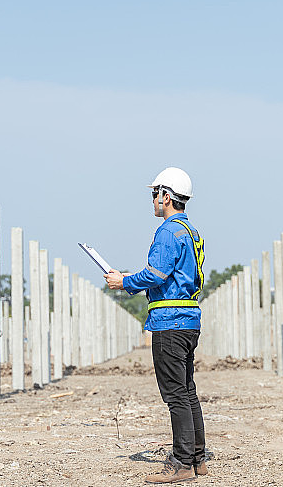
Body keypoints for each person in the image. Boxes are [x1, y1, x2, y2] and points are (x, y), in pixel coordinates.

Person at [104, 167, 207, 484]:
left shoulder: (167, 232)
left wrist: (124, 282)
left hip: (169, 323)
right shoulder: (190, 232)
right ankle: (197, 458)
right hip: (188, 321)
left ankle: (181, 463)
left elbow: (156, 274)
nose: (152, 201)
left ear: (167, 196)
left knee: (175, 394)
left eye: (154, 194)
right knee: (187, 391)